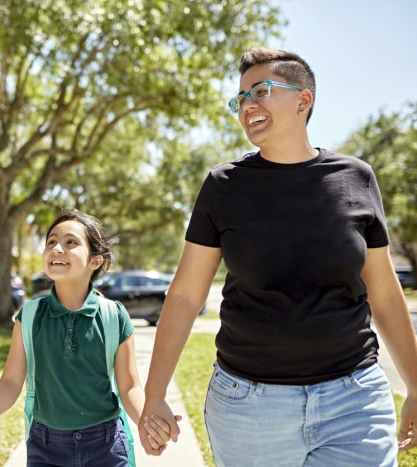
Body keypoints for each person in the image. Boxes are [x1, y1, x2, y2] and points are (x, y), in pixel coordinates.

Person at [138, 46, 417, 466]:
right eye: (241, 98)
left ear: (303, 100)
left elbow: (385, 293)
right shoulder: (223, 185)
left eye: (261, 91)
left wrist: (415, 385)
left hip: (355, 402)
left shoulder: (356, 178)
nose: (247, 105)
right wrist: (155, 394)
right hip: (249, 408)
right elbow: (184, 296)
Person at [0, 208, 173, 465]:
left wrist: (146, 423)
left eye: (71, 242)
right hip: (46, 447)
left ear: (95, 260)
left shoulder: (114, 316)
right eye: (51, 242)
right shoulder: (30, 316)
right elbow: (11, 382)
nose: (57, 248)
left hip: (106, 445)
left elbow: (129, 387)